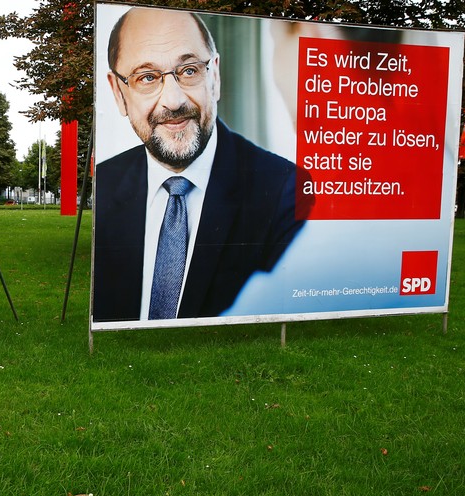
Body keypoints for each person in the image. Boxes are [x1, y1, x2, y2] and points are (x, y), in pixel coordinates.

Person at [93, 7, 309, 322]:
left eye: (190, 70)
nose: (174, 100)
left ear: (215, 76)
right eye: (148, 77)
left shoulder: (285, 193)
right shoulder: (106, 183)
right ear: (118, 93)